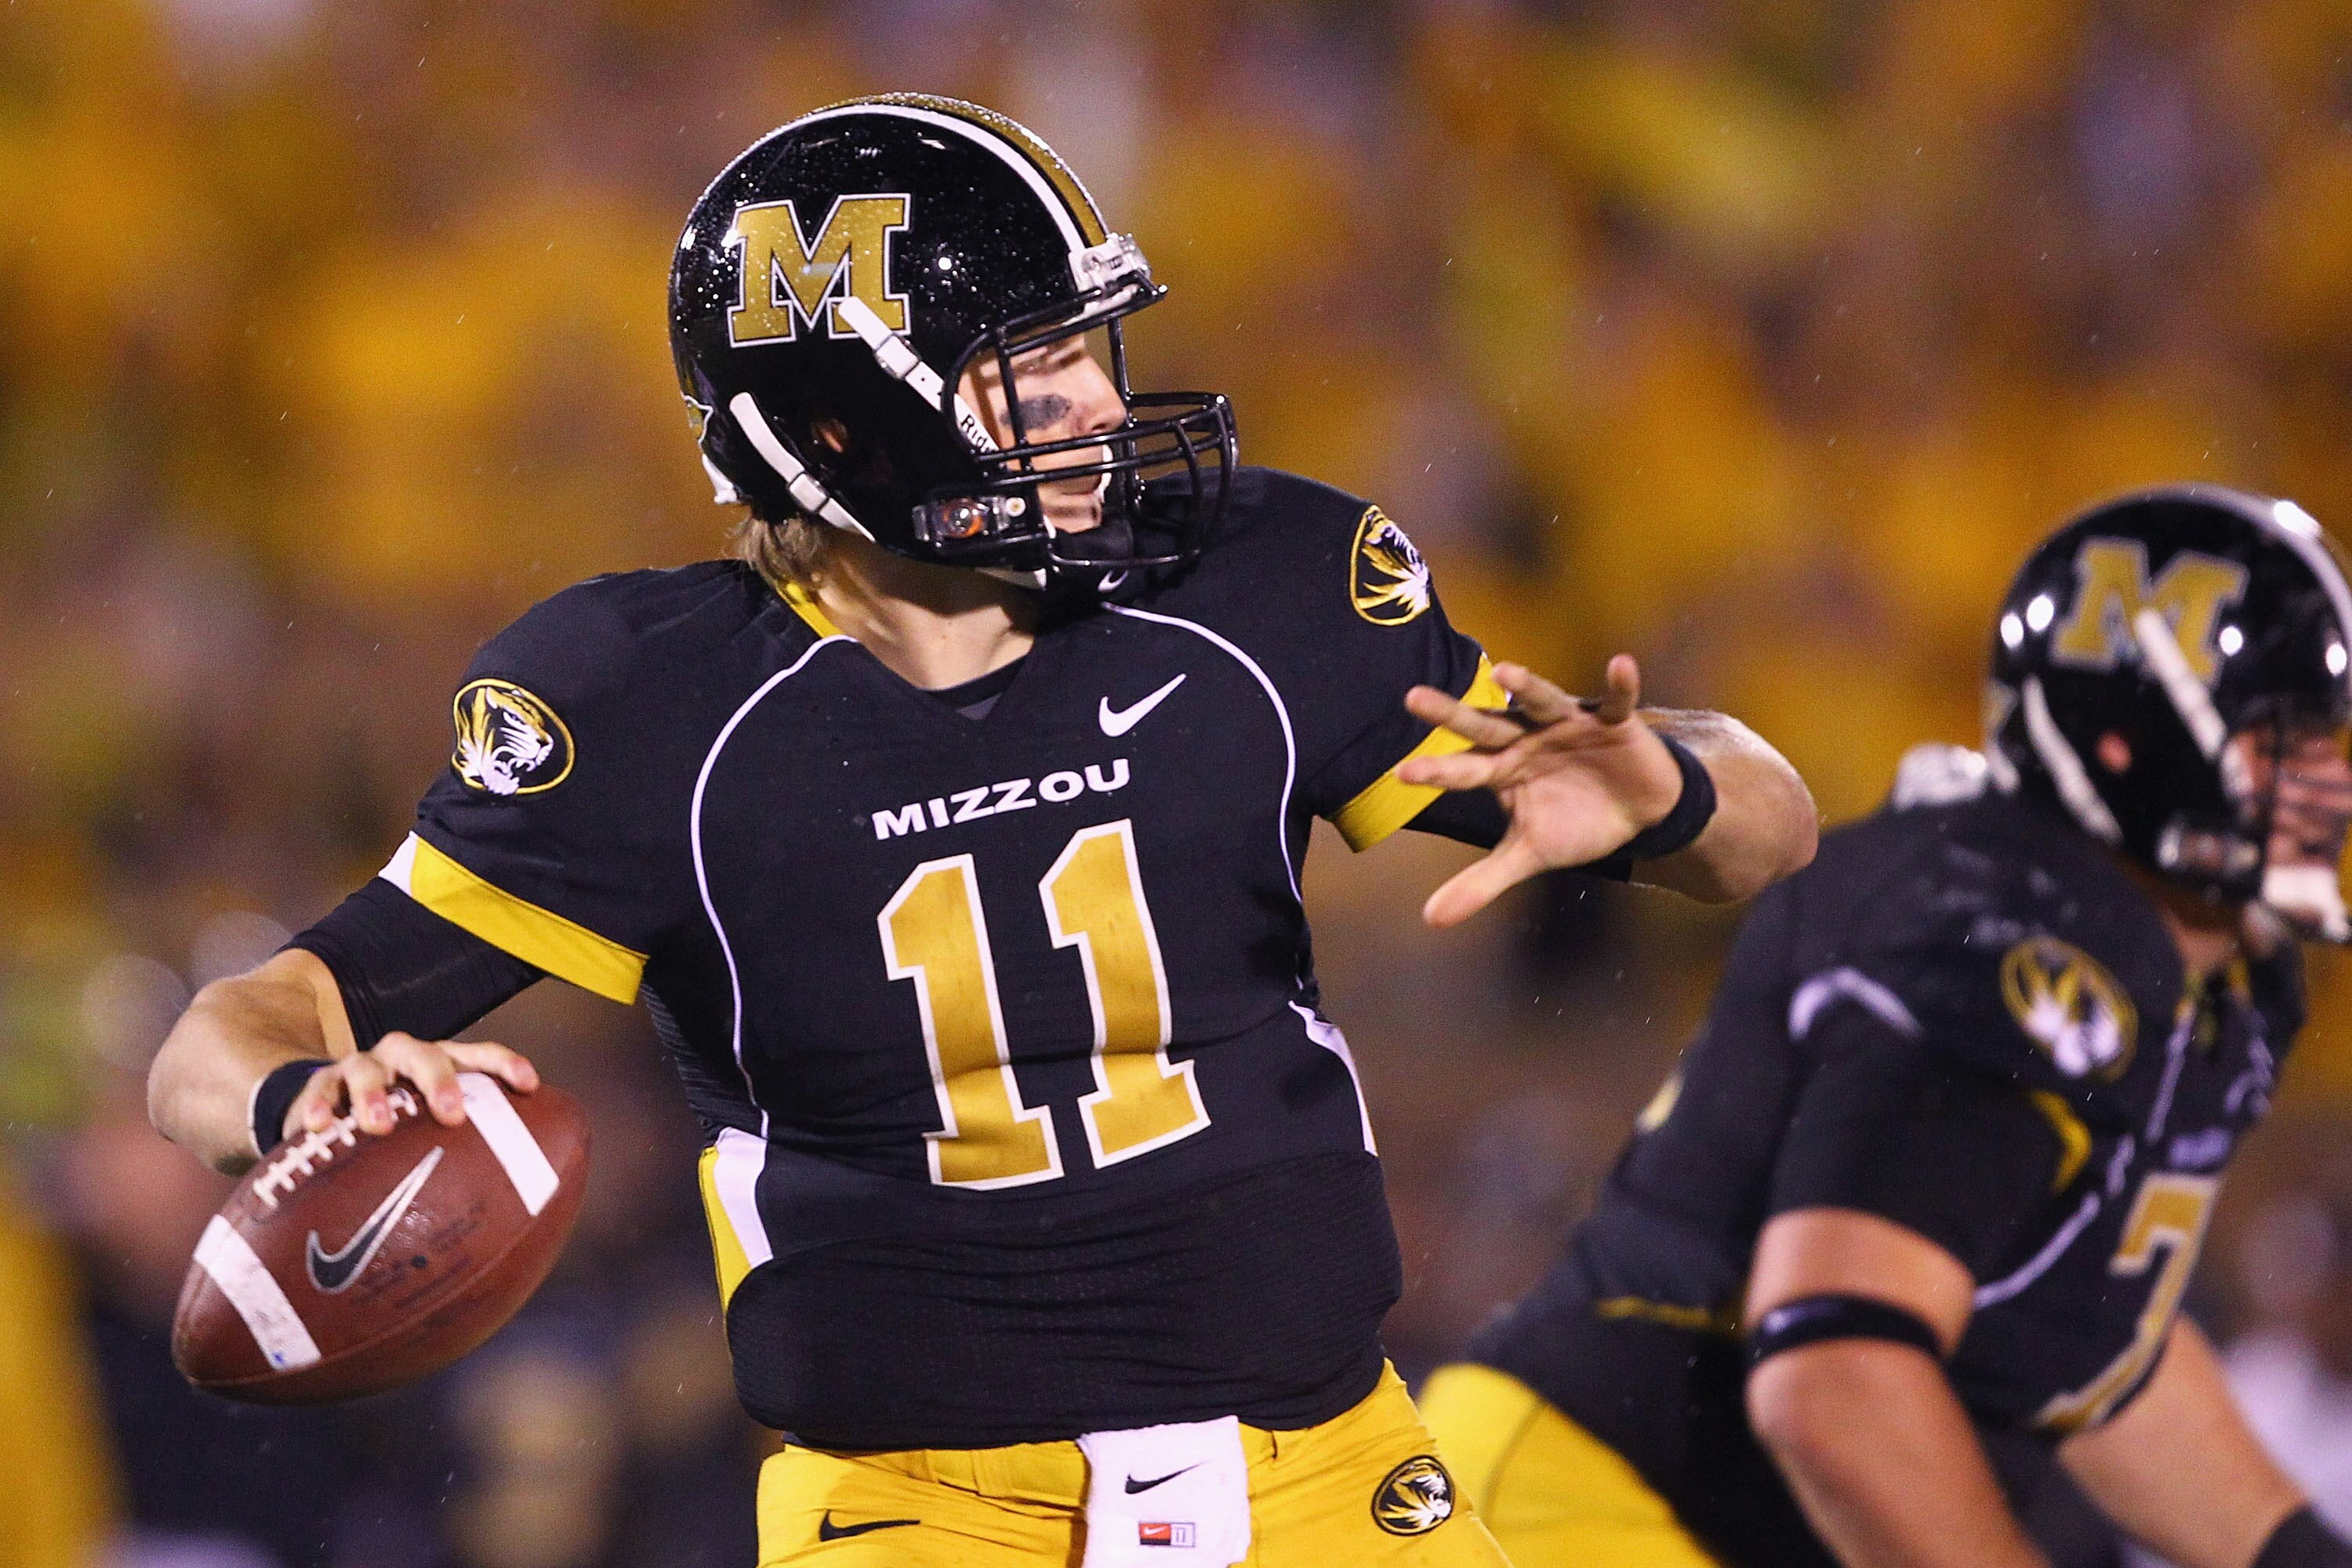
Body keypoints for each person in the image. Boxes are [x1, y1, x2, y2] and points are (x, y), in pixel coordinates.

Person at [146, 94, 1816, 1567]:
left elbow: (1769, 831)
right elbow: (220, 1044)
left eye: (1095, 349)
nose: (1099, 406)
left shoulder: (1248, 589)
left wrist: (1668, 787)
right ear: (840, 426)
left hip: (1342, 1479)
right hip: (924, 1516)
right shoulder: (657, 707)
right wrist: (314, 1089)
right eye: (1032, 371)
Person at [1420, 485, 2352, 1568]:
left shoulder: (2204, 981)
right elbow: (1838, 1386)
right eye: (2291, 743)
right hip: (1590, 1505)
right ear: (2135, 747)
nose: (2333, 777)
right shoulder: (2004, 948)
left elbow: (2089, 1352)